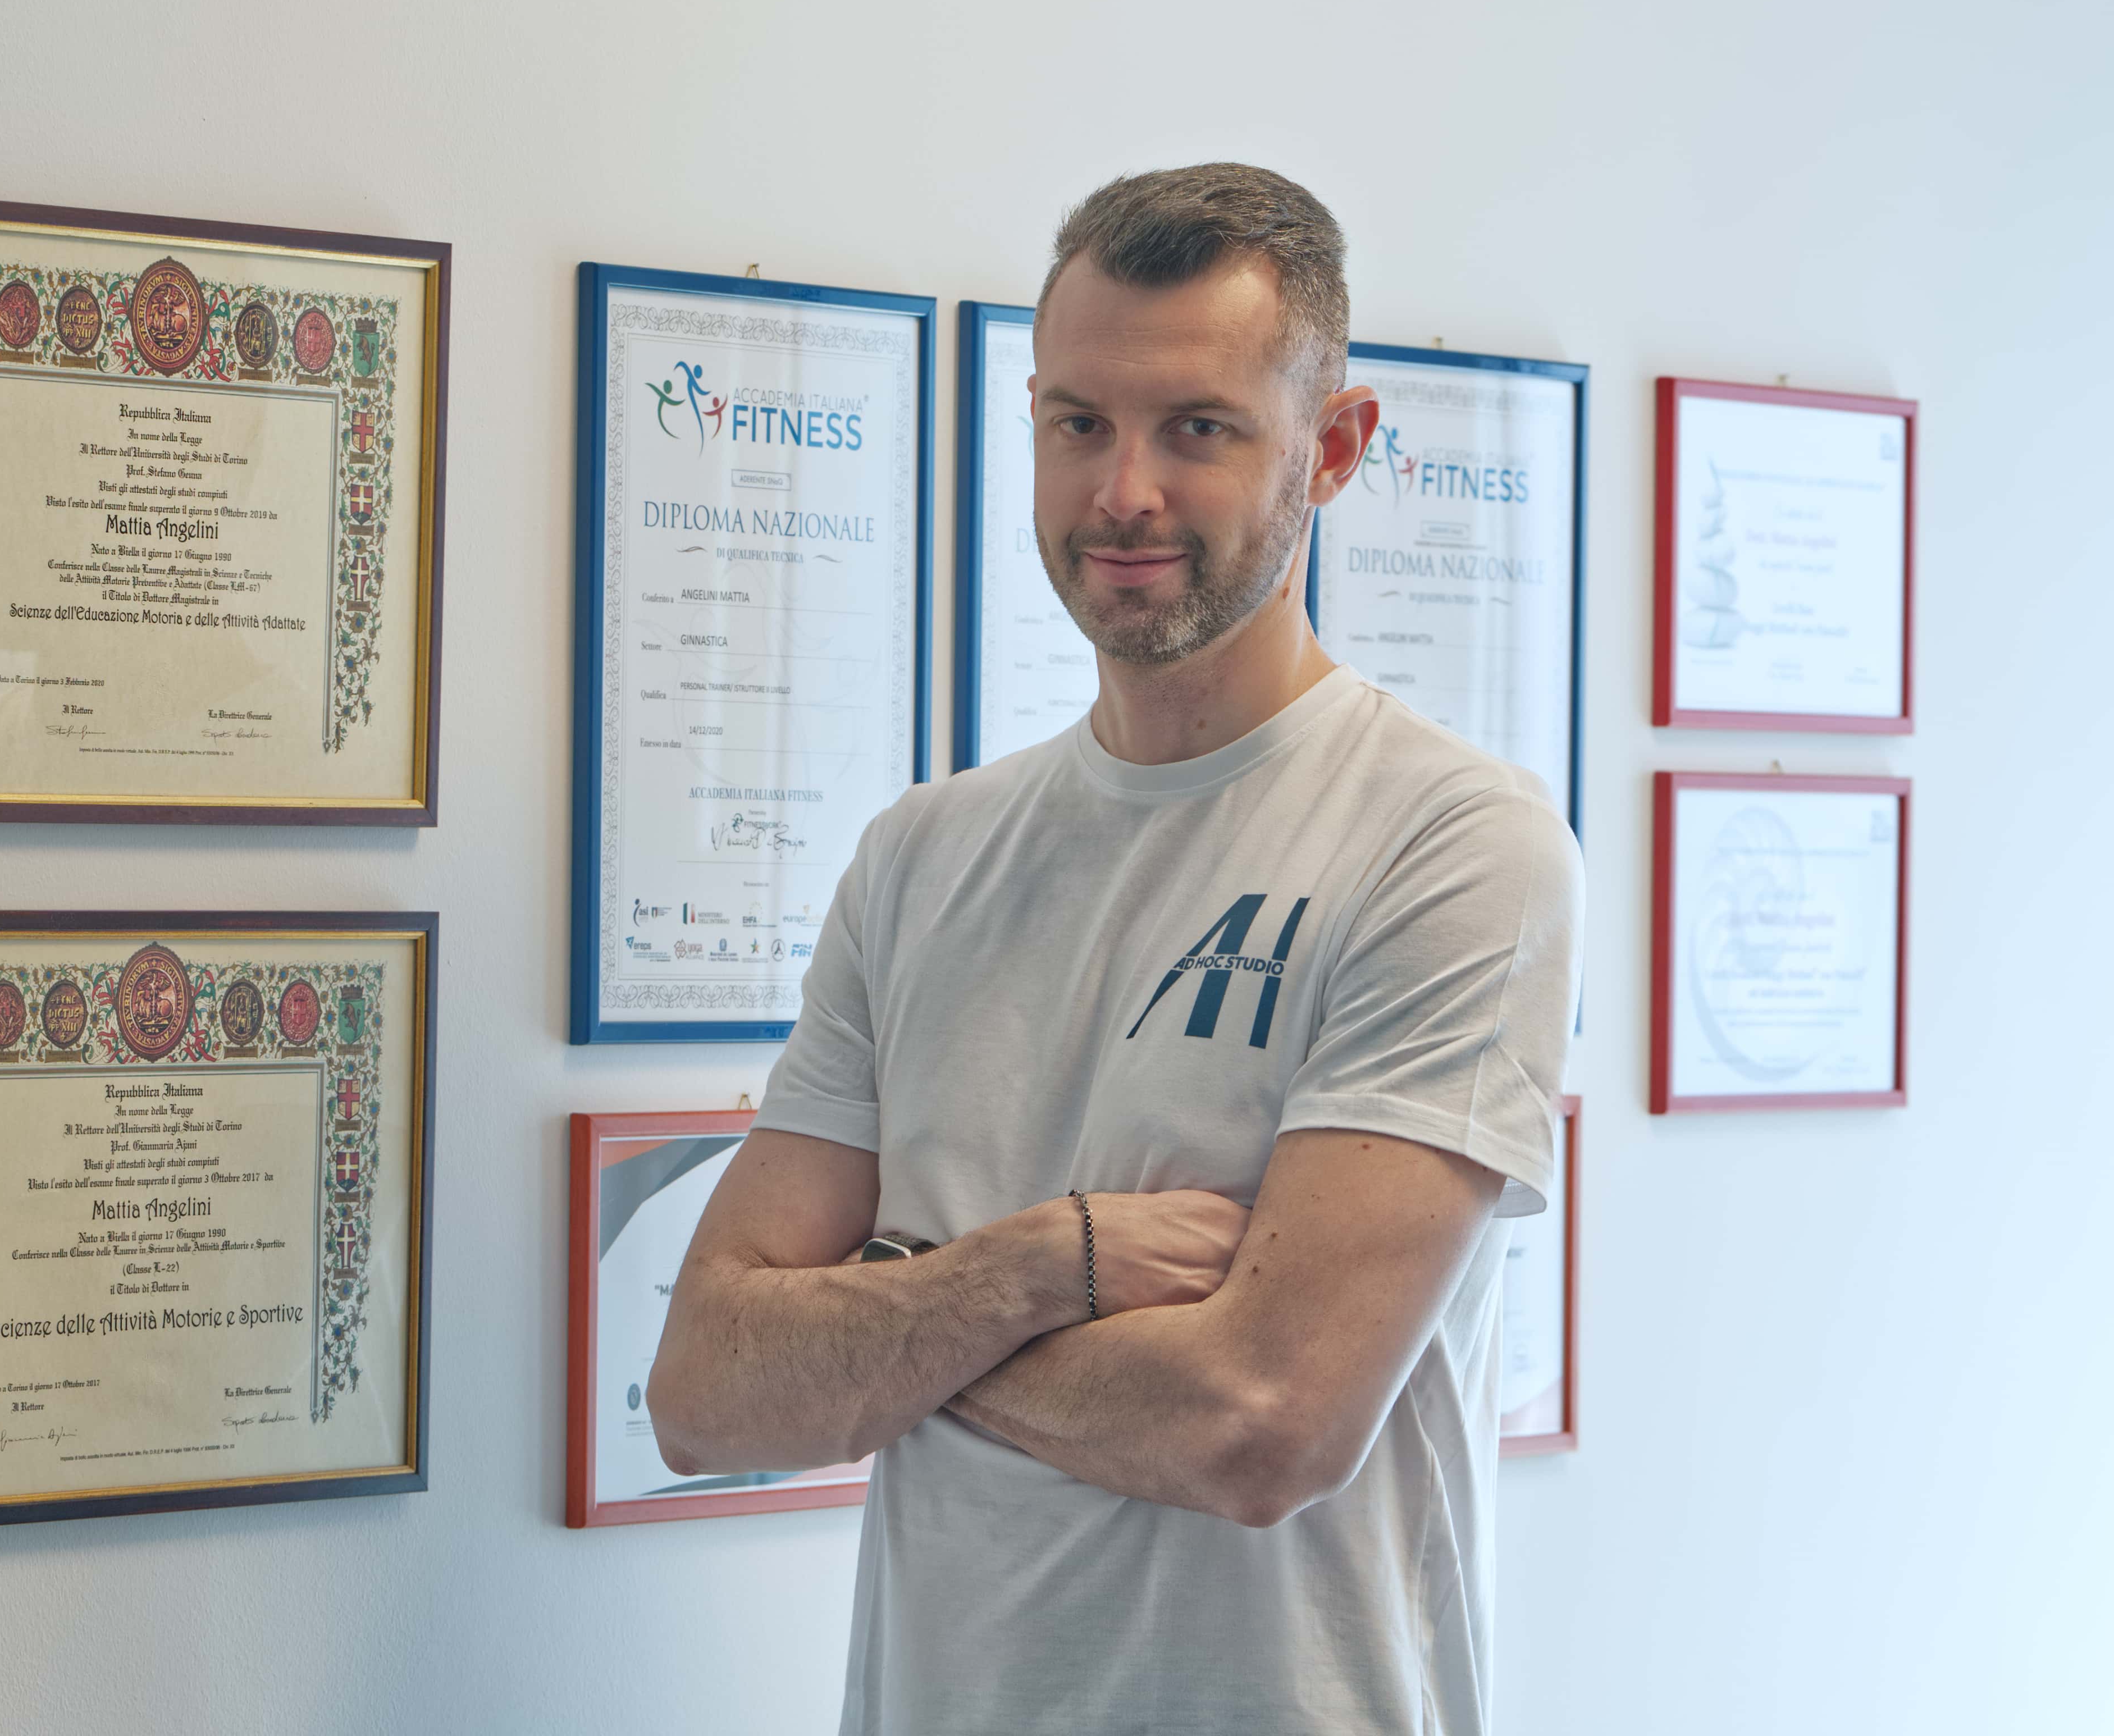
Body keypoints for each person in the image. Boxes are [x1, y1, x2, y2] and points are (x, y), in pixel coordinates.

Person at [644, 163, 1583, 1735]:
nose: (1123, 493)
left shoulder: (1452, 845)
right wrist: (1035, 1270)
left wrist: (890, 1320)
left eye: (1197, 430)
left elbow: (1260, 1426)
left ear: (1333, 451)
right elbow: (704, 1389)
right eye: (1080, 423)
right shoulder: (923, 859)